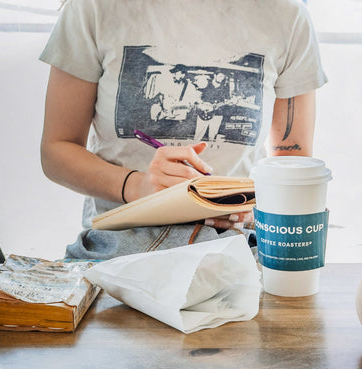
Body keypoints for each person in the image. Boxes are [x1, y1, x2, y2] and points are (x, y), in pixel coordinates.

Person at [39, 0, 327, 259]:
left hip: (236, 251)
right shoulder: (93, 9)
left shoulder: (287, 17)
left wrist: (252, 208)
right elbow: (57, 150)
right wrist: (139, 187)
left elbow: (293, 169)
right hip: (116, 252)